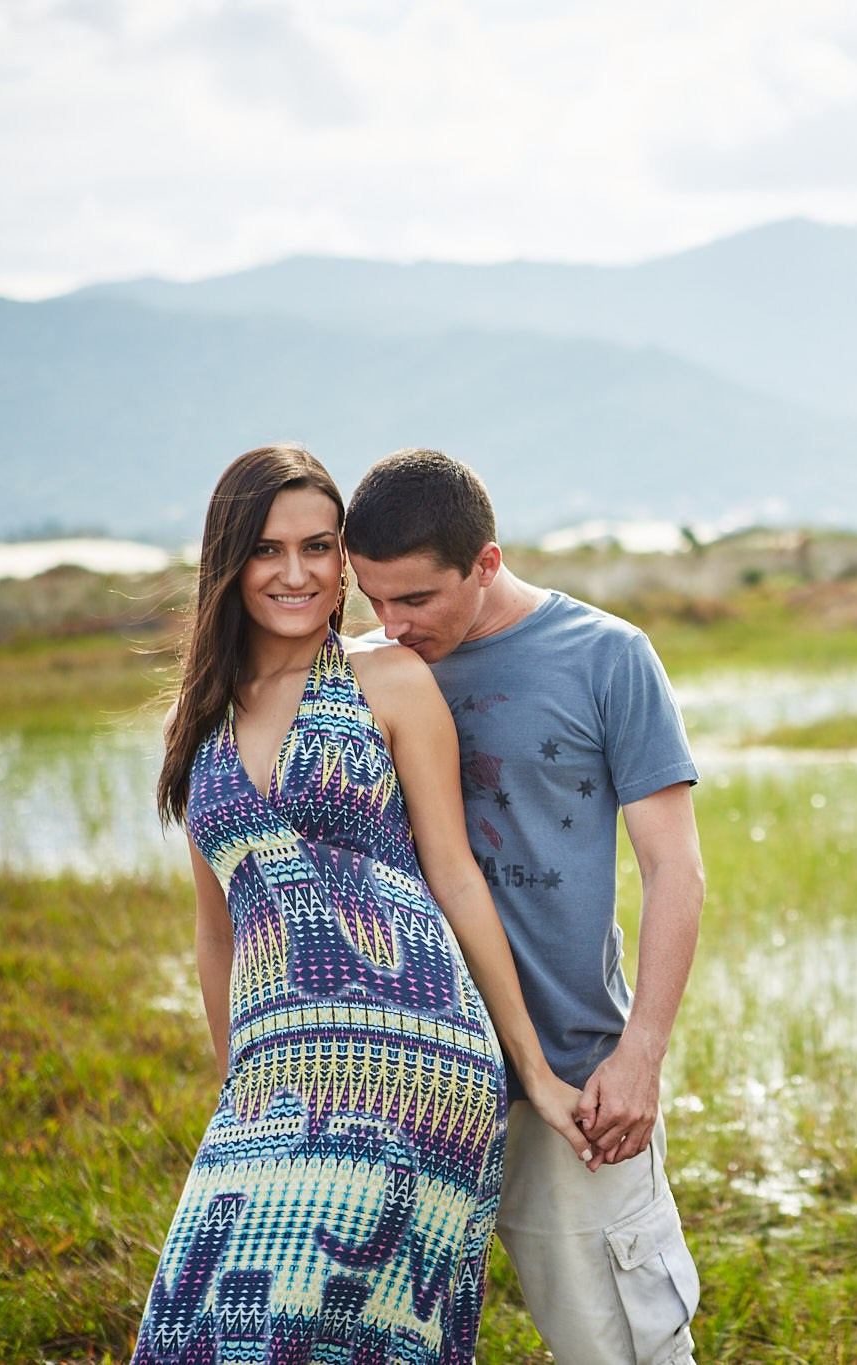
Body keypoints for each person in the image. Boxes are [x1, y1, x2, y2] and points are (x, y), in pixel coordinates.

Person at [135, 444, 588, 1365]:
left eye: (318, 546)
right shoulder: (199, 722)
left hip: (415, 1062)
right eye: (268, 549)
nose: (295, 573)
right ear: (230, 560)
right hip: (275, 1080)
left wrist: (533, 1070)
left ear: (343, 558)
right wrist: (236, 1091)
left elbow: (454, 876)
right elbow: (217, 931)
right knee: (196, 1332)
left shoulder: (388, 678)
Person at [345, 450, 705, 1365]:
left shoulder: (607, 656)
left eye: (416, 598)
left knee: (622, 1347)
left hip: (576, 1078)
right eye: (373, 598)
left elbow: (675, 868)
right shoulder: (364, 675)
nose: (393, 623)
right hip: (407, 1079)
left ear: (487, 563)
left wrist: (641, 1053)